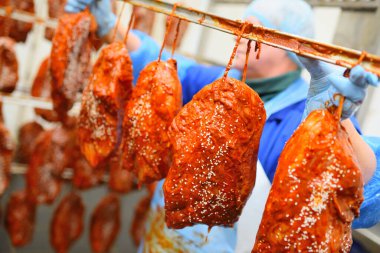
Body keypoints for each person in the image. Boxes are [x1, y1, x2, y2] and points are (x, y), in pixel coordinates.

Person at [66, 0, 380, 252]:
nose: (239, 36)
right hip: (161, 240)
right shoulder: (217, 86)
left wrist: (334, 119)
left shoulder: (303, 114)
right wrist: (111, 24)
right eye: (240, 27)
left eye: (255, 29)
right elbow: (161, 63)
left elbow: (355, 188)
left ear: (289, 45)